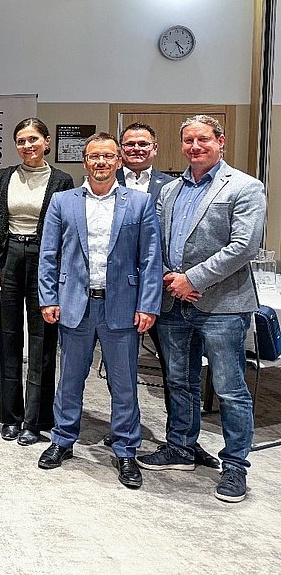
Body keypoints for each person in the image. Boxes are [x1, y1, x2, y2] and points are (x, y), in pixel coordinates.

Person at [137, 115, 264, 503]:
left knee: (229, 390)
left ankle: (235, 467)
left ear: (220, 141)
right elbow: (154, 241)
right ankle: (180, 448)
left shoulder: (245, 187)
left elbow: (244, 246)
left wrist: (193, 279)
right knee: (180, 382)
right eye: (189, 140)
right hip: (175, 302)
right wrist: (171, 279)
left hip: (224, 306)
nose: (195, 146)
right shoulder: (170, 191)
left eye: (203, 139)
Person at [36, 133, 161, 489]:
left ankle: (125, 450)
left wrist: (148, 304)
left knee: (124, 387)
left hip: (121, 307)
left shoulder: (139, 203)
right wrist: (48, 298)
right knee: (70, 380)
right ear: (85, 162)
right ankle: (62, 440)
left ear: (118, 161)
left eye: (108, 156)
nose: (101, 162)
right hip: (75, 304)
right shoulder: (63, 202)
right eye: (94, 157)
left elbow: (151, 259)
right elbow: (49, 256)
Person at [111, 122, 218, 467]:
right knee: (122, 365)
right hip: (124, 291)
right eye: (129, 145)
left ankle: (184, 439)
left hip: (167, 293)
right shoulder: (105, 185)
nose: (136, 150)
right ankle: (123, 428)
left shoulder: (173, 187)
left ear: (155, 148)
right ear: (121, 150)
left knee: (179, 372)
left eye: (143, 144)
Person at [0, 118, 74, 445]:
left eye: (33, 139)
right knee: (7, 341)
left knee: (42, 343)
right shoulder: (3, 176)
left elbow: (65, 232)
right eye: (21, 140)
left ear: (46, 142)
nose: (27, 145)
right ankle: (11, 416)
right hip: (8, 260)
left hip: (44, 261)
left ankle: (36, 420)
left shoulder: (63, 181)